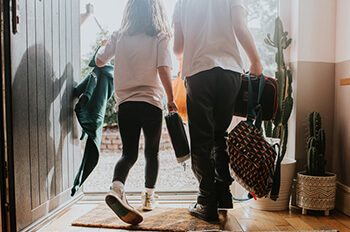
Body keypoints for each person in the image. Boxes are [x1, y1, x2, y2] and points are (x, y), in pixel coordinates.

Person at [173, 0, 263, 222]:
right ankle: (223, 193)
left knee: (201, 140)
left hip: (199, 72)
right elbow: (240, 27)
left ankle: (206, 201)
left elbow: (177, 48)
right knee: (219, 135)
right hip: (230, 73)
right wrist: (256, 61)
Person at [96, 0, 177, 225]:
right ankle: (149, 197)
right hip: (151, 104)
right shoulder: (160, 37)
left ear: (129, 10)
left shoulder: (118, 36)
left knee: (128, 154)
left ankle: (116, 188)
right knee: (152, 153)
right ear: (156, 11)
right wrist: (170, 99)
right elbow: (163, 69)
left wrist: (104, 45)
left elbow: (100, 60)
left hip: (126, 106)